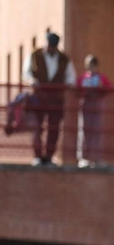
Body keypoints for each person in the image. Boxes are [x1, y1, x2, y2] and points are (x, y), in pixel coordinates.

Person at [27, 30, 75, 166]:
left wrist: (66, 85)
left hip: (56, 98)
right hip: (39, 97)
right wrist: (31, 80)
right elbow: (27, 73)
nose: (50, 48)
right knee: (36, 126)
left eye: (53, 45)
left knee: (54, 127)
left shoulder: (64, 59)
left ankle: (48, 156)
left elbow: (71, 77)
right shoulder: (35, 55)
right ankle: (37, 155)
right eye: (49, 44)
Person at [75, 54, 110, 167]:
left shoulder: (101, 77)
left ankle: (97, 158)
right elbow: (76, 90)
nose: (92, 67)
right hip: (85, 105)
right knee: (84, 131)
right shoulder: (83, 78)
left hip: (97, 105)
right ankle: (84, 157)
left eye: (94, 65)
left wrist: (101, 87)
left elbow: (109, 88)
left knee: (97, 131)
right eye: (90, 65)